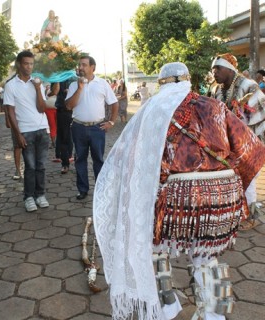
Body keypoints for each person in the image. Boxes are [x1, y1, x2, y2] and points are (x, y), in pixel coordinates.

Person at [93, 62, 265, 320]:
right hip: (223, 197)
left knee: (156, 251)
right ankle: (215, 313)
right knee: (208, 257)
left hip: (179, 199)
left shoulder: (154, 109)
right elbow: (250, 148)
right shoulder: (214, 105)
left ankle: (166, 307)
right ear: (186, 81)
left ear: (161, 84)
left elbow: (136, 158)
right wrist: (236, 189)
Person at [210, 53, 265, 230]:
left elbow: (259, 112)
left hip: (249, 141)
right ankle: (236, 212)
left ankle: (250, 216)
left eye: (218, 68)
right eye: (213, 70)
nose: (215, 72)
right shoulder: (216, 89)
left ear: (230, 68)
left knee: (247, 178)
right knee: (233, 178)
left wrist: (234, 119)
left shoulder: (249, 86)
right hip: (226, 143)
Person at [65, 55, 118, 200]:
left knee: (98, 159)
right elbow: (69, 106)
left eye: (84, 65)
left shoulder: (102, 83)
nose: (80, 68)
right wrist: (80, 88)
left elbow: (114, 103)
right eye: (79, 65)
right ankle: (82, 189)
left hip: (97, 128)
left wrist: (111, 122)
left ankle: (100, 190)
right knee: (80, 159)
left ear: (92, 67)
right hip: (78, 127)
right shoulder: (73, 85)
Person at [4, 51, 50, 212]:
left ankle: (40, 194)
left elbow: (42, 108)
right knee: (30, 166)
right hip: (25, 131)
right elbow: (10, 112)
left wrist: (38, 89)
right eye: (26, 63)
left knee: (41, 165)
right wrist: (18, 135)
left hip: (42, 130)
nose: (29, 67)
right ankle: (28, 197)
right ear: (19, 64)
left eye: (31, 64)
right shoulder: (10, 86)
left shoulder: (37, 83)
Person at [3, 74, 22, 180]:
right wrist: (7, 118)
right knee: (17, 145)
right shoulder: (10, 83)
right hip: (15, 120)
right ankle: (18, 170)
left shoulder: (31, 80)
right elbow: (6, 105)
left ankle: (30, 169)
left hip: (29, 120)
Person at [55, 79, 74, 174]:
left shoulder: (75, 77)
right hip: (62, 110)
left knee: (78, 138)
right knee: (63, 138)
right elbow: (54, 91)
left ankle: (79, 161)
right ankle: (65, 164)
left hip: (76, 110)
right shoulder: (57, 77)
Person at [45, 83, 59, 149]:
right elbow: (46, 97)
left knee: (56, 126)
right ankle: (53, 142)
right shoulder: (48, 90)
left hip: (57, 109)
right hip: (49, 109)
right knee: (52, 126)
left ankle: (57, 142)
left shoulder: (59, 89)